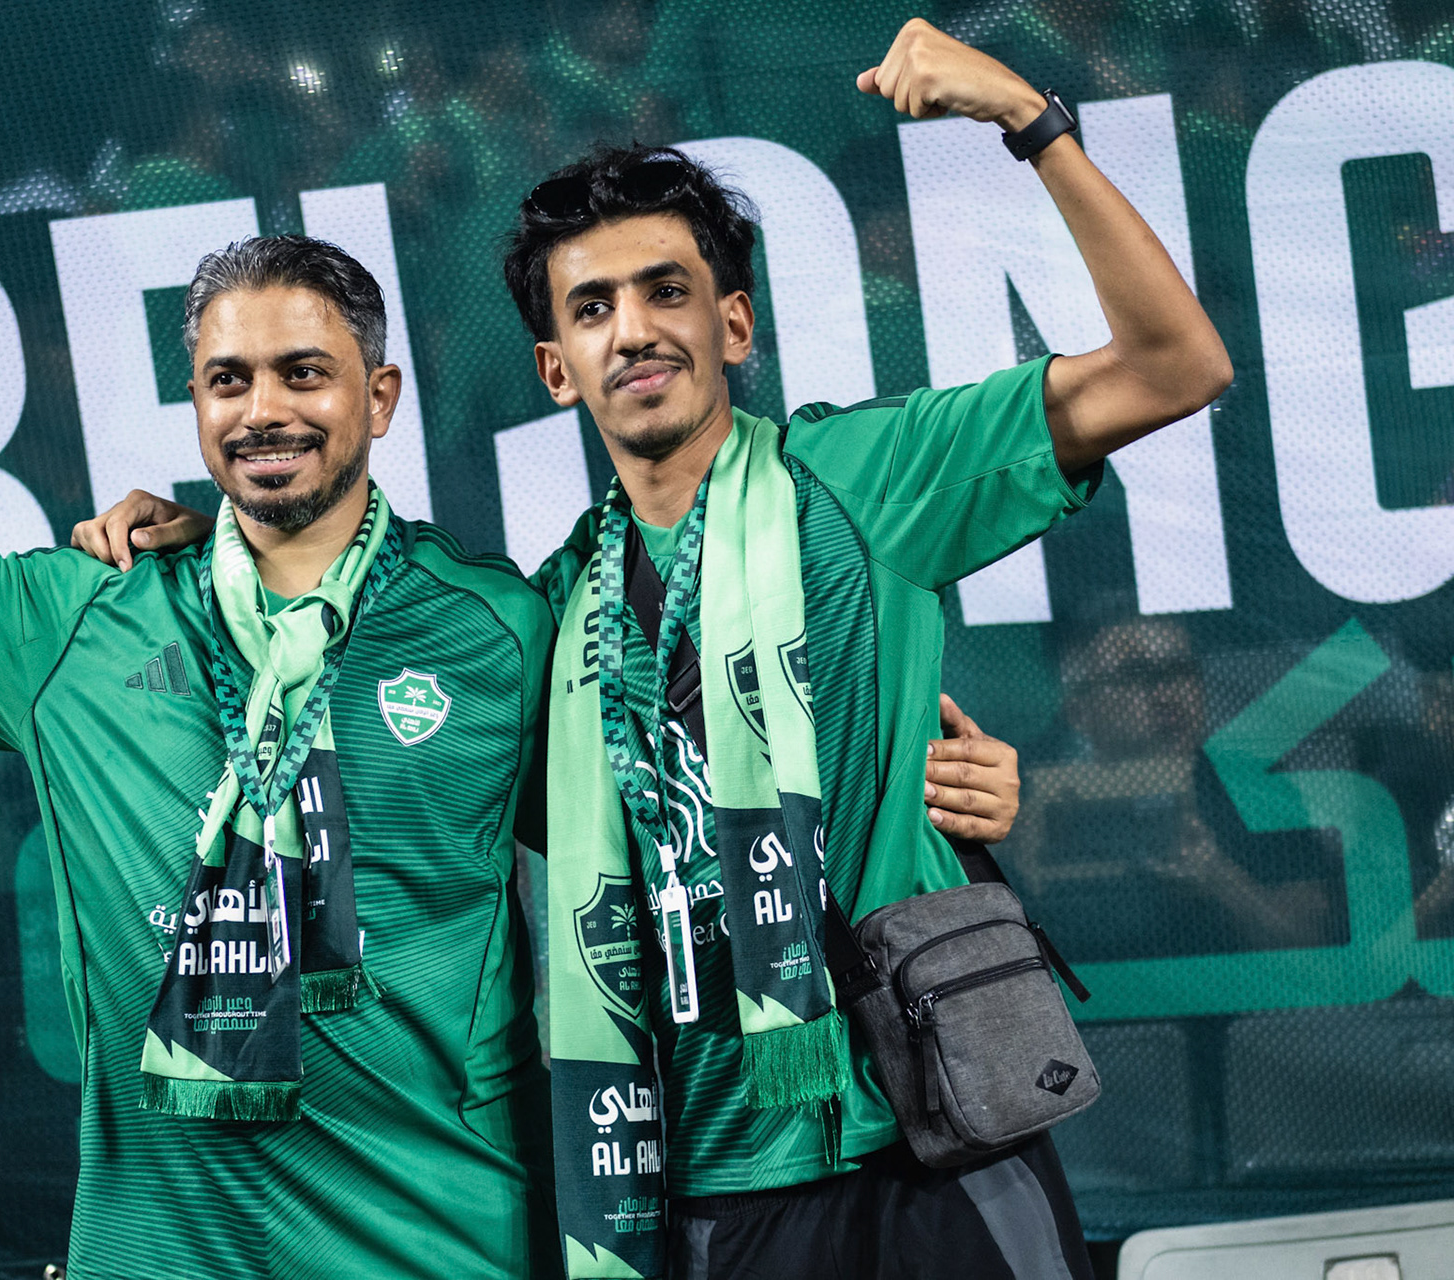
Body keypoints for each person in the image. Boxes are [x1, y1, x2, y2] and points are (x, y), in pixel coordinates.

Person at [503, 19, 1227, 1278]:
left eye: (668, 290)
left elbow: (1176, 363)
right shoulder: (547, 615)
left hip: (929, 1141)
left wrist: (1026, 117)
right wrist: (183, 543)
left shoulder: (859, 479)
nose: (635, 329)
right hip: (707, 1180)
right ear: (557, 368)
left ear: (734, 325)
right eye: (594, 306)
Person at [0, 235, 560, 1277]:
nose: (263, 408)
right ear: (193, 402)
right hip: (163, 1254)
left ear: (381, 396)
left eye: (303, 373)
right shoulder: (83, 615)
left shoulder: (499, 630)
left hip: (439, 1248)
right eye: (228, 380)